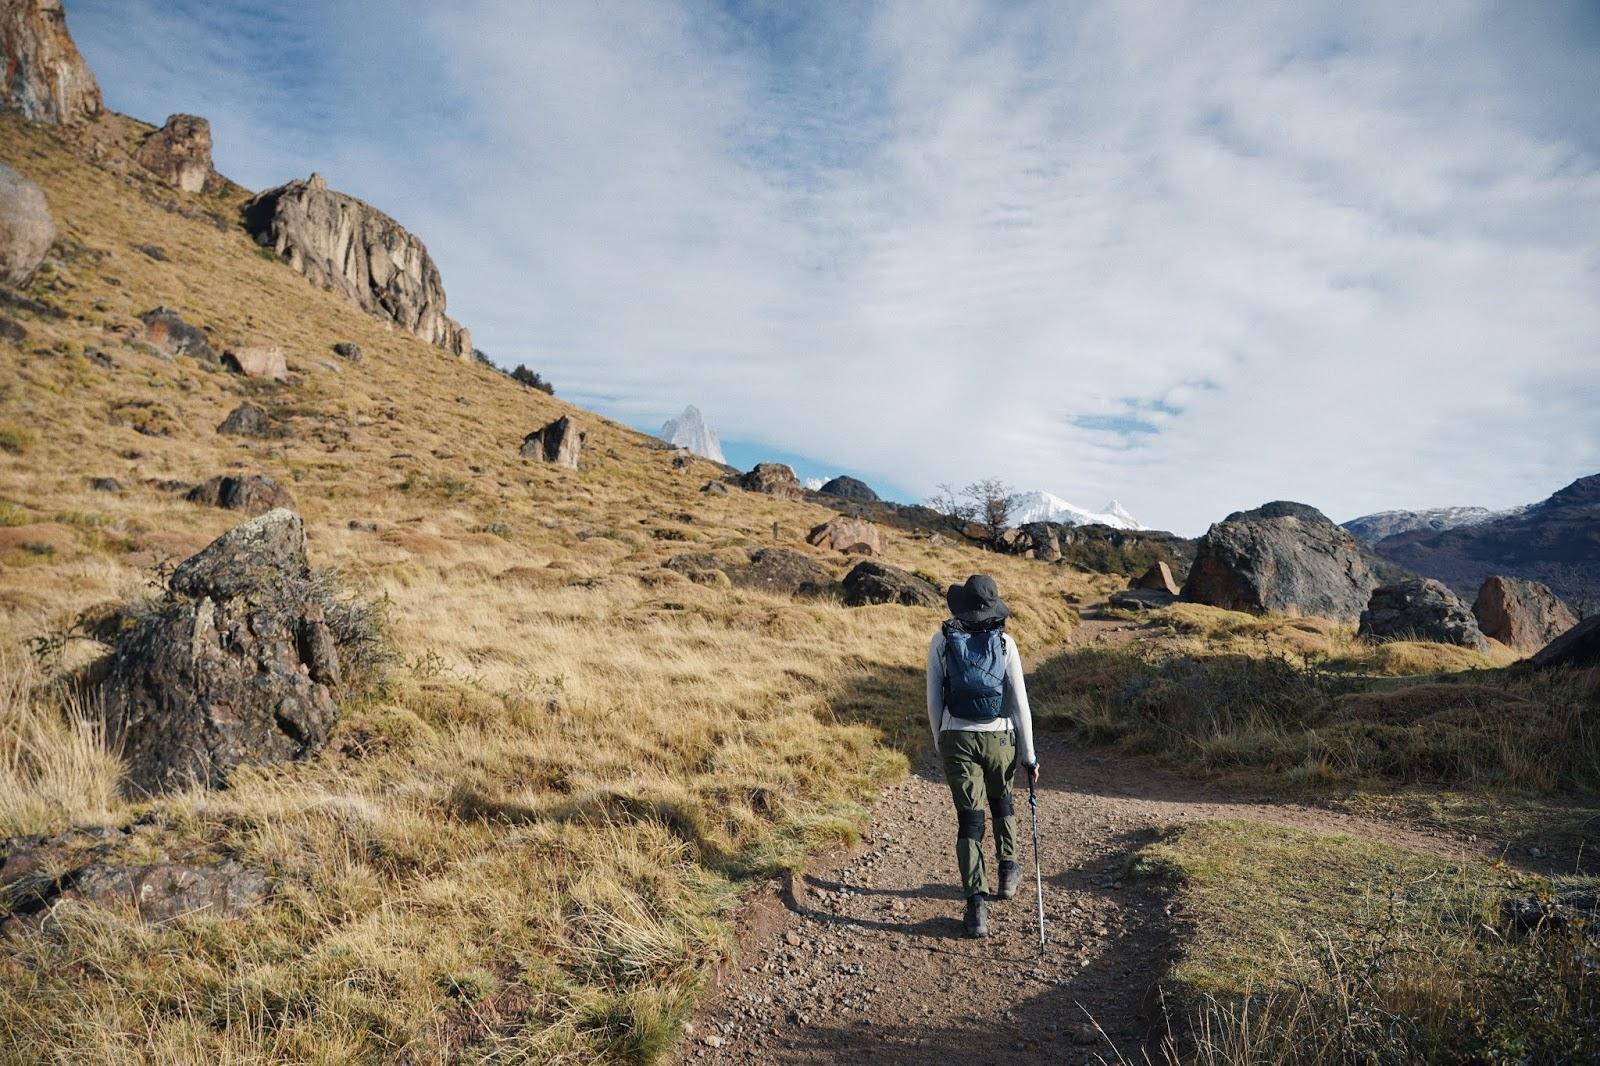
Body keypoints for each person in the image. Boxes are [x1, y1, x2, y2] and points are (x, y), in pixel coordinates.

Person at [926, 574, 1039, 938]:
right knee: (1002, 801)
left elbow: (933, 700)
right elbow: (1020, 702)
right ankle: (1008, 871)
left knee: (970, 820)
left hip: (957, 737)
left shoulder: (942, 641)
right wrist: (1030, 755)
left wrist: (940, 739)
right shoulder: (1006, 643)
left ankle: (976, 905)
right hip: (1000, 737)